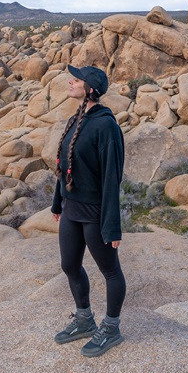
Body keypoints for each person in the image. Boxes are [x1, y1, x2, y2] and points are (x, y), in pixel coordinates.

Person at [51, 64, 126, 357]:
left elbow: (111, 178)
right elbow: (65, 166)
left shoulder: (107, 126)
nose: (70, 82)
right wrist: (58, 202)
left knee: (110, 271)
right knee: (69, 265)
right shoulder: (76, 119)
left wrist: (112, 225)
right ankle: (84, 320)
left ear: (90, 89)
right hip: (72, 209)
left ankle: (111, 328)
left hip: (95, 212)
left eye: (76, 79)